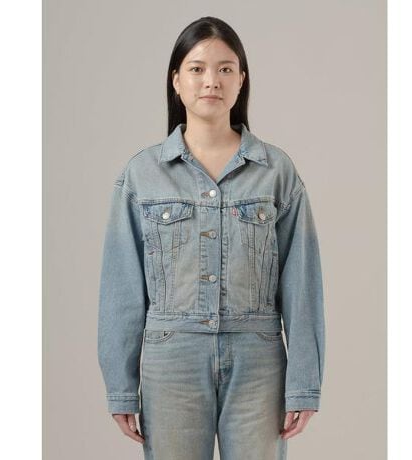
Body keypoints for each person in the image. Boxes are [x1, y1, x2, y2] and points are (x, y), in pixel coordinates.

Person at [97, 16, 325, 460]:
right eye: (197, 68)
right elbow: (121, 287)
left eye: (225, 69)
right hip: (171, 362)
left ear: (241, 80)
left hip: (259, 362)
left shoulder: (276, 171)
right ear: (176, 81)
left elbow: (302, 283)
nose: (211, 81)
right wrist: (121, 386)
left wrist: (304, 382)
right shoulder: (142, 175)